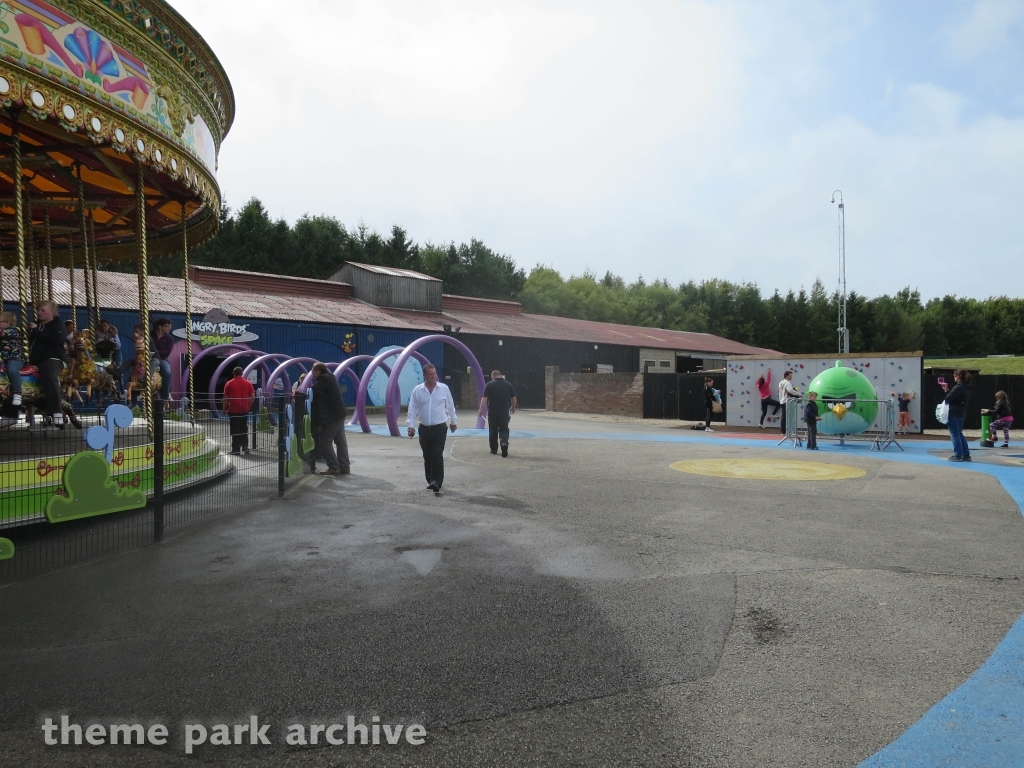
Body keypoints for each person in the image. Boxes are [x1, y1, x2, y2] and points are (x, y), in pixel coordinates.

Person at [406, 363, 457, 493]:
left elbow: (450, 405)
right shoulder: (418, 390)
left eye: (435, 373)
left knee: (437, 453)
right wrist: (410, 425)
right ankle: (430, 480)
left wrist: (453, 421)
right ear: (424, 375)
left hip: (440, 427)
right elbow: (412, 408)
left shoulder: (444, 388)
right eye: (431, 374)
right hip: (424, 429)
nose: (434, 376)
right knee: (427, 455)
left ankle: (437, 481)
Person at [28, 300, 67, 428]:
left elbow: (57, 340)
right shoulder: (35, 325)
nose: (39, 313)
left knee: (50, 376)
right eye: (38, 310)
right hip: (35, 360)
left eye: (42, 310)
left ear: (52, 312)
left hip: (52, 358)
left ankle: (57, 412)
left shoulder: (57, 325)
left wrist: (37, 331)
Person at [309, 362, 350, 475]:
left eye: (313, 370)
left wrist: (300, 393)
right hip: (339, 413)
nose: (312, 373)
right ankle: (344, 466)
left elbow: (312, 391)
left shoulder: (324, 379)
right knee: (340, 441)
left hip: (334, 415)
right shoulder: (329, 377)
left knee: (325, 441)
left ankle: (334, 467)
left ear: (318, 371)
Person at [478, 369, 517, 456]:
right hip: (504, 412)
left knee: (493, 430)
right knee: (504, 428)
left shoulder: (489, 385)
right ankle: (504, 443)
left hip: (493, 412)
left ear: (493, 377)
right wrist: (513, 407)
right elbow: (514, 398)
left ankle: (494, 449)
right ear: (500, 375)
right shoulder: (508, 384)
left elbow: (484, 398)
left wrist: (481, 409)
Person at [940, 369, 972, 462]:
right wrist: (947, 390)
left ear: (958, 376)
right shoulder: (966, 386)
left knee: (955, 434)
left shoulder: (959, 386)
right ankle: (966, 454)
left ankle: (958, 455)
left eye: (954, 376)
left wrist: (947, 392)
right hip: (962, 412)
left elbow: (948, 399)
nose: (954, 377)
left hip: (954, 412)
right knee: (959, 433)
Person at [222, 366, 256, 455]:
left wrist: (224, 408)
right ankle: (245, 446)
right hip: (244, 409)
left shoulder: (229, 383)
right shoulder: (248, 383)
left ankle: (236, 449)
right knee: (244, 427)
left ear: (233, 373)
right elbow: (253, 396)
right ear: (242, 373)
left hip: (233, 409)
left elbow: (225, 398)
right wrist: (249, 404)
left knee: (235, 429)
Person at [0, 311, 25, 406]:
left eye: (0, 322)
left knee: (12, 370)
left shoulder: (14, 331)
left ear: (8, 323)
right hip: (4, 359)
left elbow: (3, 333)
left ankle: (17, 393)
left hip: (14, 359)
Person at [151, 318, 174, 403]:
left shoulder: (169, 338)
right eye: (166, 326)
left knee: (167, 372)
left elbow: (167, 352)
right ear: (160, 326)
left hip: (162, 359)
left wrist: (155, 351)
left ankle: (164, 397)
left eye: (170, 326)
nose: (169, 328)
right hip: (150, 357)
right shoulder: (151, 335)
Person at [778, 370, 800, 435]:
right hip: (786, 401)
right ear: (786, 376)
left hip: (782, 401)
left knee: (784, 417)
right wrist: (798, 393)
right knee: (788, 417)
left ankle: (783, 431)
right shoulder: (788, 383)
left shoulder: (781, 383)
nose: (791, 377)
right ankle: (787, 431)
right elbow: (790, 390)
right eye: (790, 376)